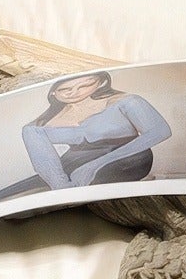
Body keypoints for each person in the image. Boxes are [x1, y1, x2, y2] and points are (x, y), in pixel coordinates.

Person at [19, 72, 171, 190]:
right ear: (53, 93)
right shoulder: (42, 124)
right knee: (16, 193)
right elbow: (40, 151)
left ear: (101, 82)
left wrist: (95, 165)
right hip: (74, 164)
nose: (75, 93)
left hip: (129, 157)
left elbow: (160, 130)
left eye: (85, 85)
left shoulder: (126, 101)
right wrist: (59, 185)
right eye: (65, 89)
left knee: (89, 182)